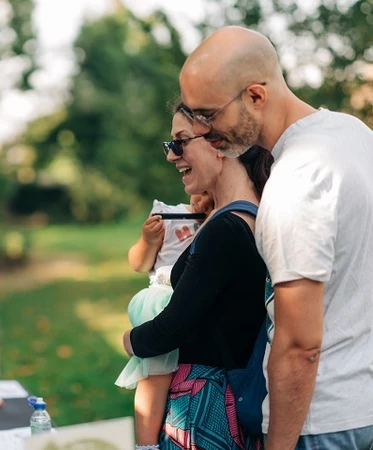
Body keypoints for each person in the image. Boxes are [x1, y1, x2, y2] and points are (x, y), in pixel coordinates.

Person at [177, 26, 373, 450]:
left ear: (256, 96)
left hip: (327, 422)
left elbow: (299, 346)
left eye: (208, 115)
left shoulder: (294, 184)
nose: (201, 133)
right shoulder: (352, 133)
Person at [122, 107, 273, 450]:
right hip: (236, 397)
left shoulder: (225, 229)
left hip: (204, 409)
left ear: (219, 143)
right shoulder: (257, 218)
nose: (172, 156)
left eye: (180, 142)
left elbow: (170, 329)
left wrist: (130, 340)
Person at [116, 193, 213, 446]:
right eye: (201, 192)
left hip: (194, 302)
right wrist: (147, 240)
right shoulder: (170, 214)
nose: (203, 198)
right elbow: (139, 263)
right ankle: (147, 443)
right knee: (155, 375)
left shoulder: (227, 217)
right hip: (161, 297)